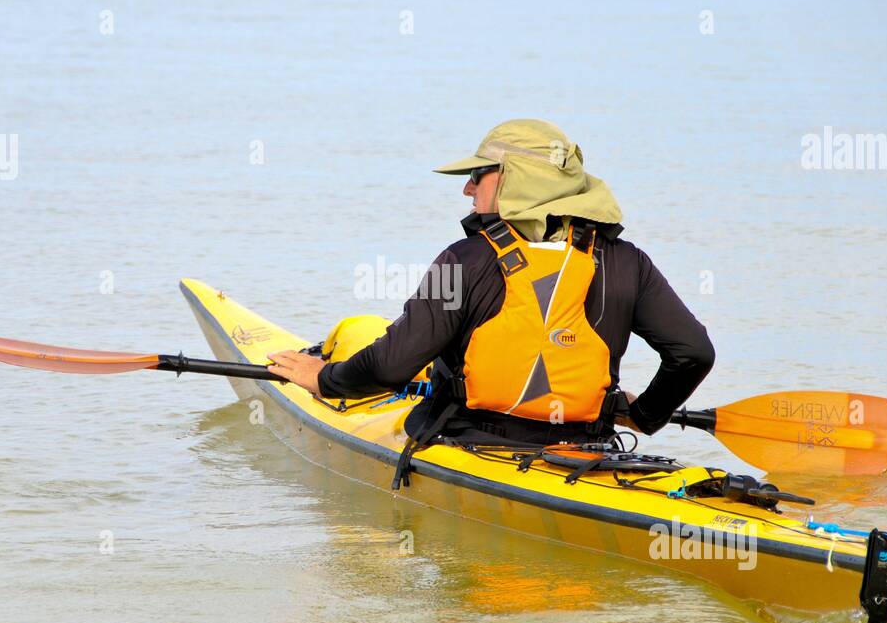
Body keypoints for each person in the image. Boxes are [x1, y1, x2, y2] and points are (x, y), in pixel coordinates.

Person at [268, 119, 714, 464]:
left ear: (515, 179)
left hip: (471, 444)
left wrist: (324, 378)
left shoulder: (464, 258)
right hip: (587, 448)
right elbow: (693, 353)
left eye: (478, 174)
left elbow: (390, 365)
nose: (466, 187)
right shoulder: (627, 259)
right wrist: (641, 415)